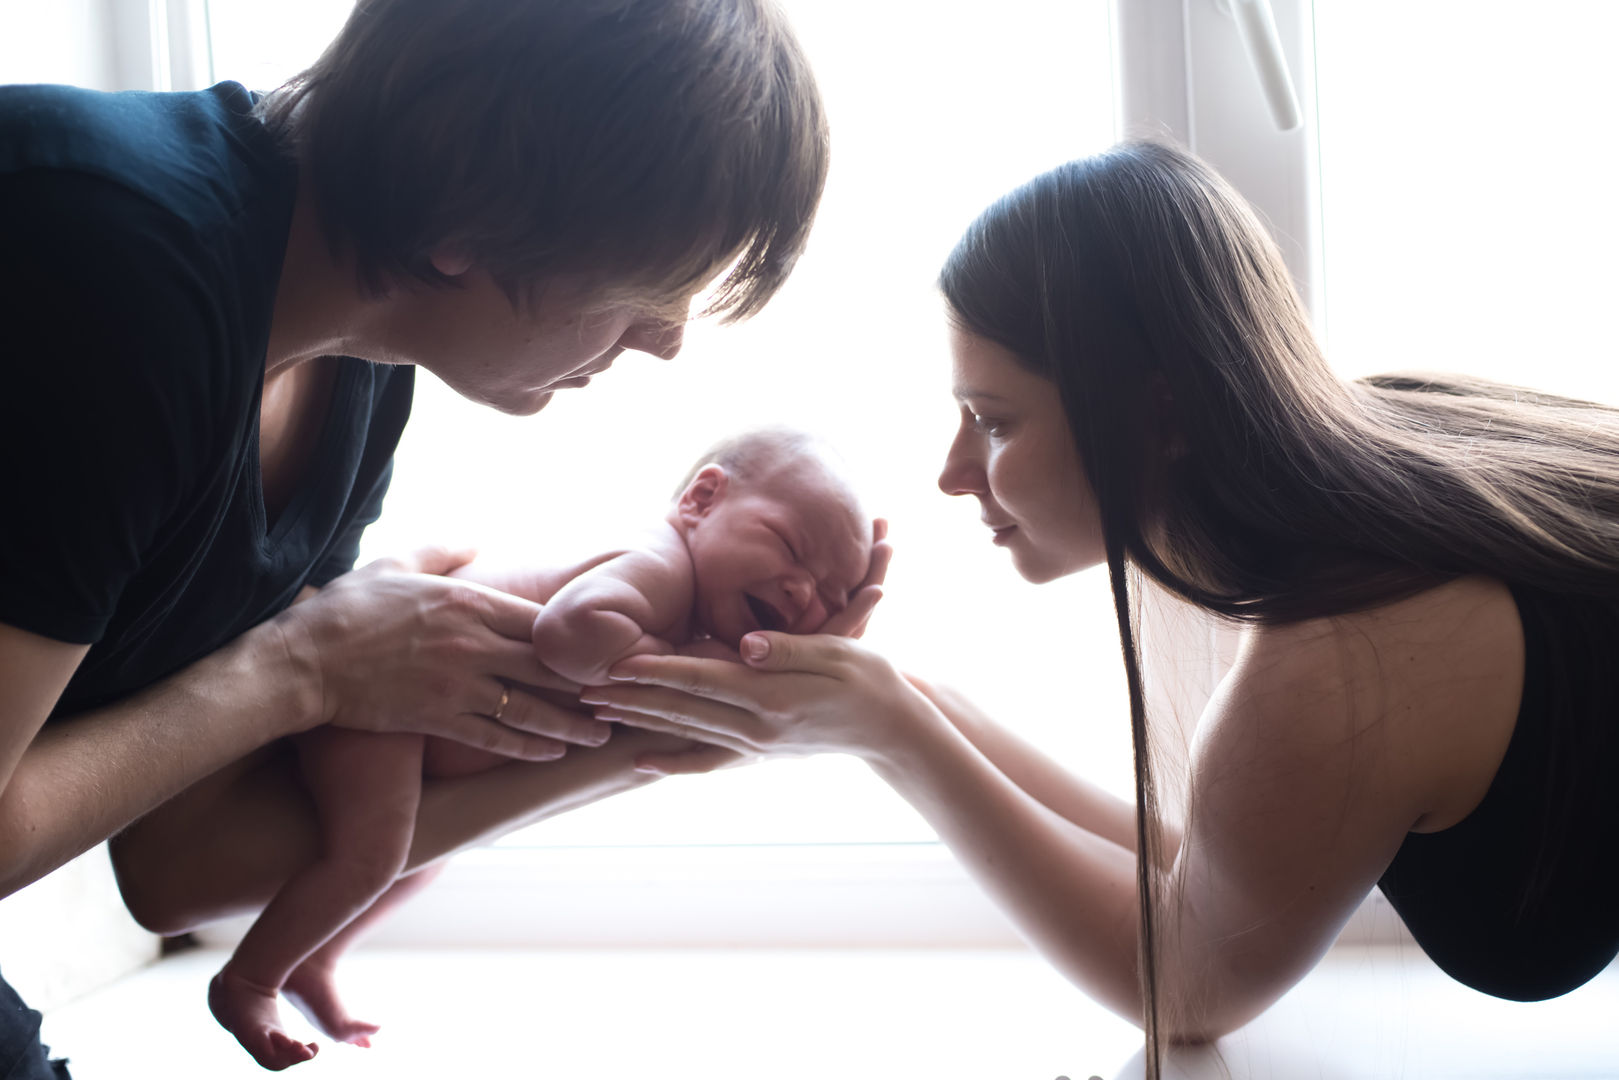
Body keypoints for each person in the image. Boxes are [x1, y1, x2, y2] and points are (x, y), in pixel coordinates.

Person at [580, 140, 1619, 1077]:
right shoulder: (1403, 443)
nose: (952, 473)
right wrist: (900, 700)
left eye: (992, 421)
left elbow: (1187, 987)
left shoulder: (1340, 664)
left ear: (1156, 410)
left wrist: (891, 736)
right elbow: (1208, 872)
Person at [0, 0, 861, 1074]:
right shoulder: (109, 265)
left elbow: (175, 865)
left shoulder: (359, 377)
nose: (665, 340)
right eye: (647, 279)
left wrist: (658, 736)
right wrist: (306, 668)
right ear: (473, 212)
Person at [207, 427, 875, 1068]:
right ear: (702, 500)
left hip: (420, 728)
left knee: (424, 858)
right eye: (789, 545)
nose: (801, 589)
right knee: (370, 857)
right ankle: (251, 980)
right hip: (384, 706)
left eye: (832, 594)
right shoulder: (660, 565)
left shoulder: (683, 597)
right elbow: (570, 631)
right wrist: (688, 665)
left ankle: (316, 956)